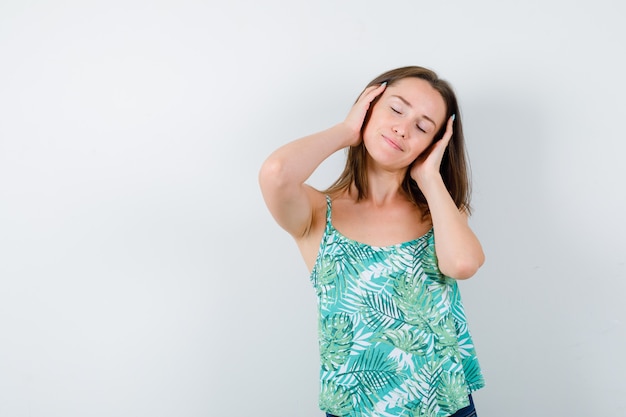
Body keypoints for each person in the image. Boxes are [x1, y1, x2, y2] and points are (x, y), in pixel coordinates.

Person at [259, 66, 485, 417]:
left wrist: (428, 177)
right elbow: (276, 174)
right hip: (355, 409)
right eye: (396, 109)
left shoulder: (439, 211)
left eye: (423, 127)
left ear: (434, 144)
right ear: (368, 106)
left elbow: (463, 264)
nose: (402, 128)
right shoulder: (318, 212)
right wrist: (346, 130)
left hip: (446, 407)